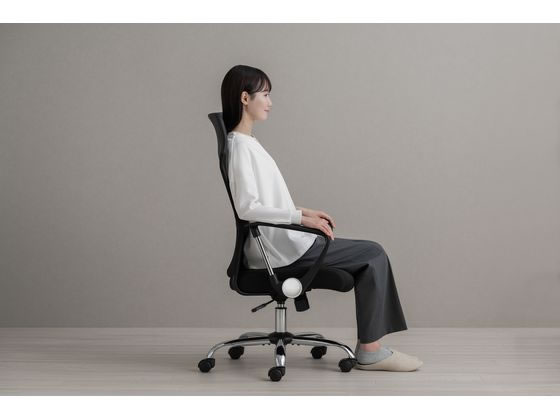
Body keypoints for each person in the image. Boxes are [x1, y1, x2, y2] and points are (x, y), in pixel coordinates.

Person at [221, 64, 423, 372]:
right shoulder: (240, 147)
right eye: (265, 94)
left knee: (367, 259)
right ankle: (370, 351)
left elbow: (266, 200)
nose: (270, 102)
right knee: (373, 253)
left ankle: (371, 347)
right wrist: (300, 220)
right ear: (245, 98)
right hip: (281, 251)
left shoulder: (248, 143)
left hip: (283, 243)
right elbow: (247, 208)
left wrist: (303, 211)